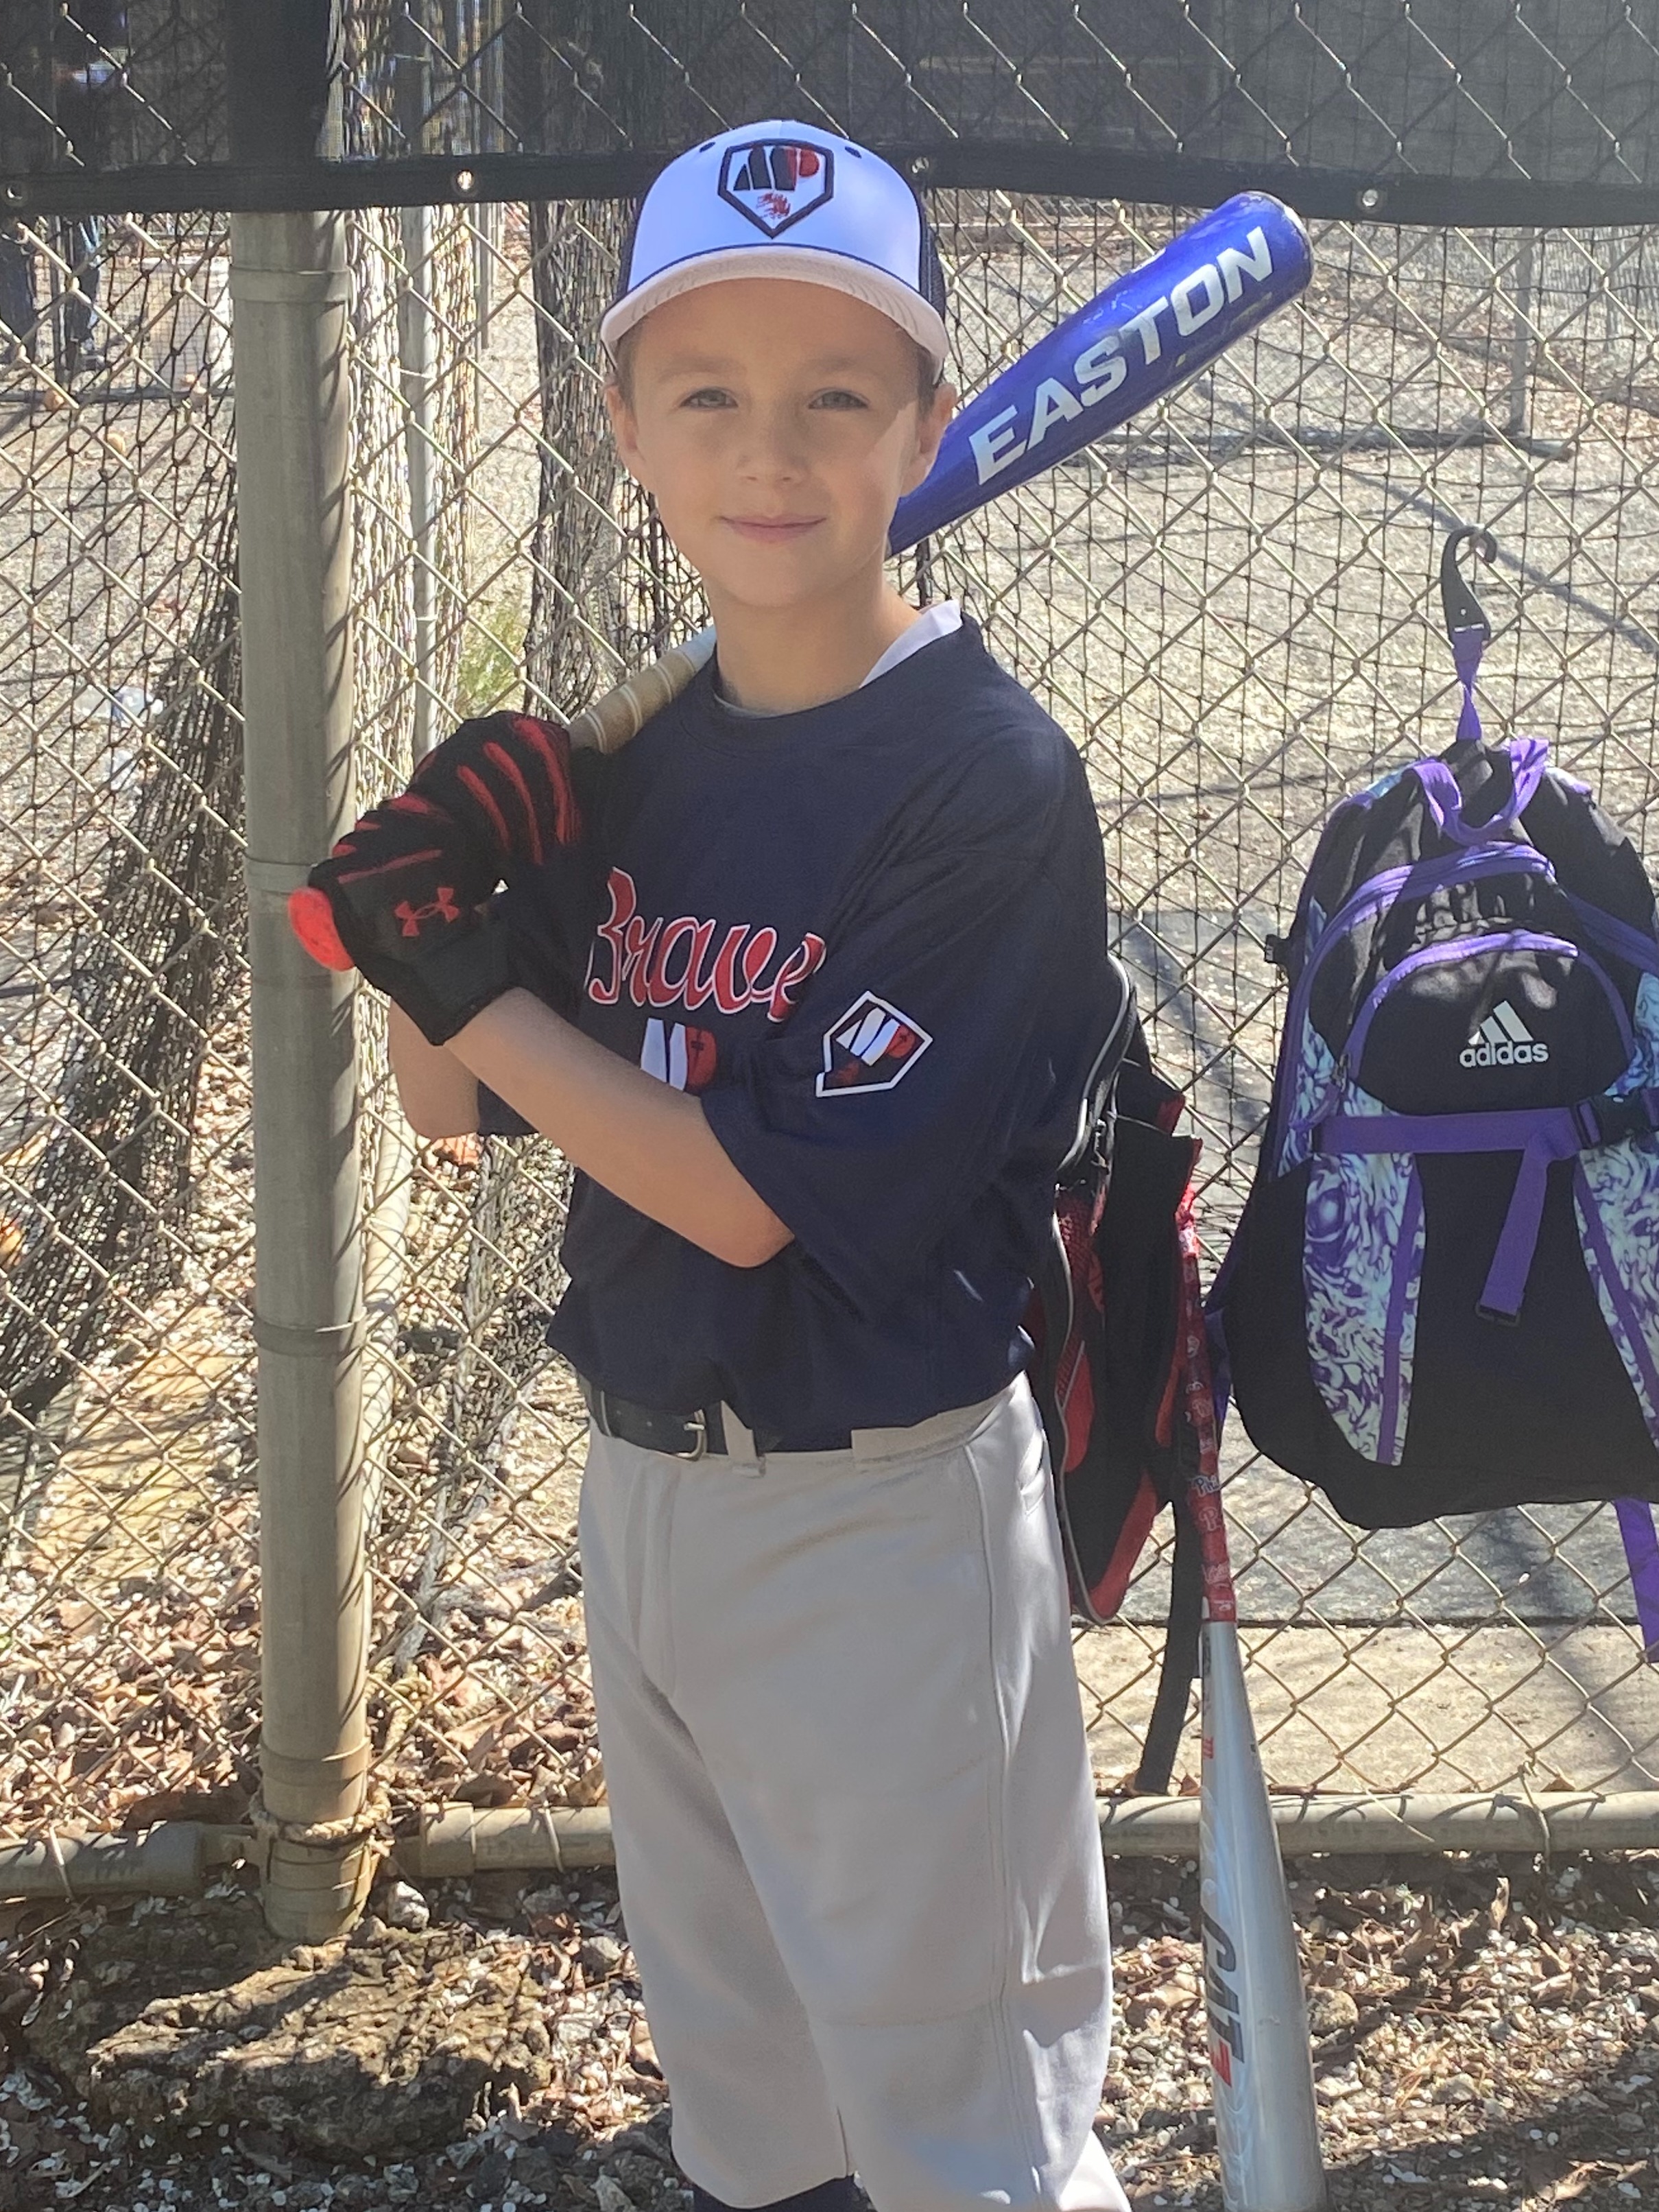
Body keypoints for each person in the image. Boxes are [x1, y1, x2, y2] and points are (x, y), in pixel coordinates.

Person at [298, 120, 1130, 2212]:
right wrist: (441, 893)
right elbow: (449, 1102)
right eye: (706, 397)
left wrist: (462, 976)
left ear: (924, 423)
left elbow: (750, 1196)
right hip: (645, 1498)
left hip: (877, 1526)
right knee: (752, 2113)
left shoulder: (986, 780)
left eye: (834, 397)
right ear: (623, 429)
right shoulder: (643, 763)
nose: (767, 452)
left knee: (962, 2126)